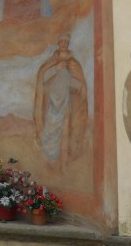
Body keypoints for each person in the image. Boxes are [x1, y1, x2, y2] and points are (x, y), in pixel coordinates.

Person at [34, 34, 88, 171]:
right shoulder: (51, 61)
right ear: (58, 43)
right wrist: (55, 69)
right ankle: (52, 164)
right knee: (51, 135)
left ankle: (63, 166)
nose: (63, 43)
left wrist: (78, 87)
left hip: (66, 107)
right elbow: (42, 78)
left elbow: (80, 85)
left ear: (68, 43)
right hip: (51, 107)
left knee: (65, 134)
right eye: (61, 41)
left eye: (66, 41)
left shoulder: (74, 63)